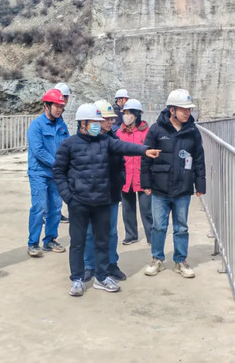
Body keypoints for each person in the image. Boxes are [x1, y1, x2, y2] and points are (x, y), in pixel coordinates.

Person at [54, 103, 160, 297]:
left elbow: (124, 146)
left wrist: (144, 150)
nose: (98, 125)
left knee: (103, 241)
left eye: (99, 121)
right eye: (94, 122)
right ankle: (77, 279)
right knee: (78, 242)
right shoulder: (69, 144)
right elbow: (58, 171)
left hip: (102, 201)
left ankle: (101, 277)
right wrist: (69, 198)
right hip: (79, 202)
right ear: (83, 123)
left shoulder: (105, 141)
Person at [140, 89, 205, 279]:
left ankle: (180, 261)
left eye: (189, 109)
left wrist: (200, 184)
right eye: (183, 109)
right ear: (172, 110)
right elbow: (146, 158)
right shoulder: (156, 130)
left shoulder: (193, 132)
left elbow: (199, 159)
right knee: (158, 226)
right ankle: (157, 259)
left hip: (183, 187)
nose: (187, 113)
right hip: (160, 188)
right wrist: (146, 183)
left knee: (181, 227)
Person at [82, 99, 127, 283]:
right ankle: (89, 265)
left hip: (111, 195)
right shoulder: (84, 142)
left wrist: (119, 182)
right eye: (106, 119)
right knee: (90, 232)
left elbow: (122, 165)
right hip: (90, 196)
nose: (110, 122)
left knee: (111, 232)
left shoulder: (114, 141)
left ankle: (111, 263)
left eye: (111, 119)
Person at [26, 88, 69, 258]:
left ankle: (50, 239)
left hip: (56, 174)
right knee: (39, 207)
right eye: (56, 106)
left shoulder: (62, 125)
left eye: (61, 106)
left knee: (56, 207)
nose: (59, 109)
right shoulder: (36, 125)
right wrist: (58, 164)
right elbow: (38, 151)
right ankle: (33, 243)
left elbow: (67, 146)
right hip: (39, 173)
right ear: (46, 105)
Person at [116, 98, 153, 245]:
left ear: (137, 114)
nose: (126, 116)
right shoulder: (119, 133)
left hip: (143, 176)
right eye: (124, 112)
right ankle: (131, 235)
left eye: (129, 113)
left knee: (147, 209)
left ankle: (151, 236)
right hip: (126, 176)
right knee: (127, 208)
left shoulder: (147, 133)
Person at [53, 82, 71, 224]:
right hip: (52, 161)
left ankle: (56, 213)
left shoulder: (60, 118)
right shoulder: (51, 117)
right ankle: (48, 214)